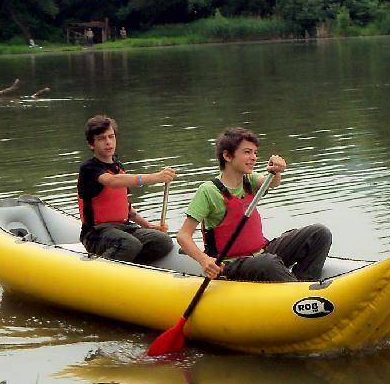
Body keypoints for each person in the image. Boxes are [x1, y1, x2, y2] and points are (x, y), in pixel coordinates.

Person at [177, 127, 331, 282]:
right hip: (230, 265)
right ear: (227, 156)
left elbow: (271, 183)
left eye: (255, 153)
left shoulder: (249, 179)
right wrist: (204, 260)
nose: (254, 157)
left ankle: (305, 283)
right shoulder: (208, 191)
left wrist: (275, 171)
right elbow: (183, 236)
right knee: (268, 263)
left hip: (261, 253)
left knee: (319, 233)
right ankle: (297, 293)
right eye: (247, 152)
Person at [77, 115, 177, 263]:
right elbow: (112, 181)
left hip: (123, 229)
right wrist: (155, 177)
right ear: (91, 144)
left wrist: (149, 226)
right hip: (96, 234)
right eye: (101, 138)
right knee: (129, 244)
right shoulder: (89, 168)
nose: (108, 142)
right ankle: (101, 272)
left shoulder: (118, 167)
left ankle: (129, 268)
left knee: (163, 241)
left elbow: (126, 207)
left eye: (111, 137)